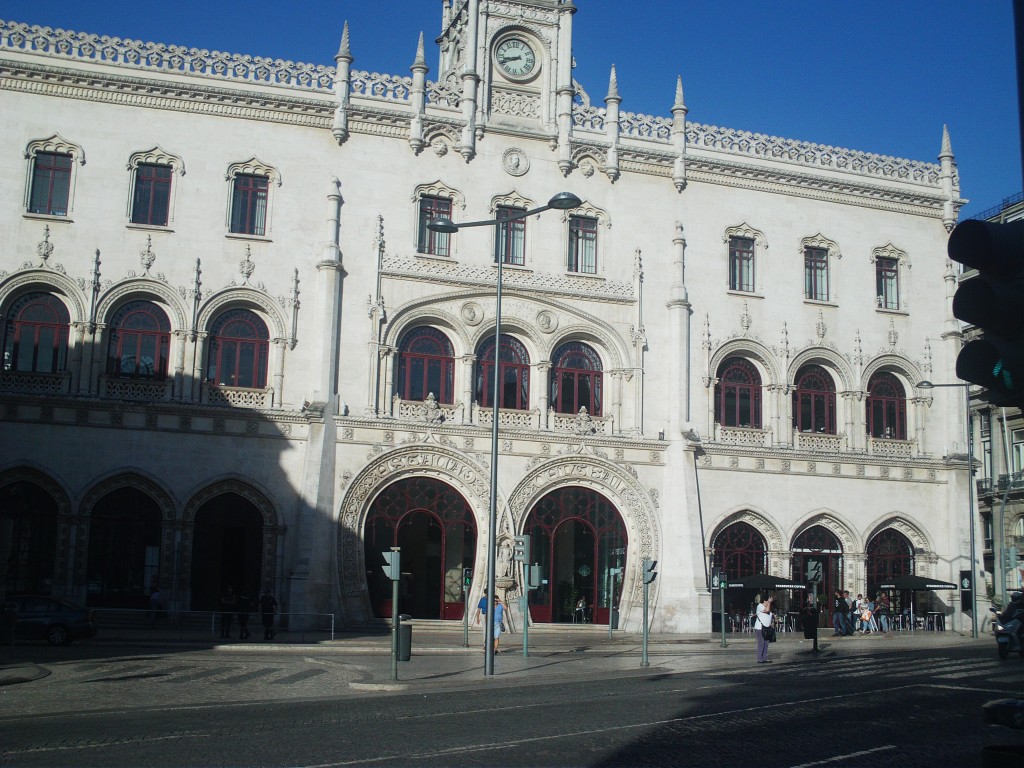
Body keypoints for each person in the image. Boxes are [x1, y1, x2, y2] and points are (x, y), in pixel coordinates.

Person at [755, 594, 774, 663]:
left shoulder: (768, 606)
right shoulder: (760, 606)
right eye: (767, 601)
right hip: (760, 628)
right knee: (761, 643)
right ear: (764, 601)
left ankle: (764, 658)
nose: (768, 603)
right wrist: (769, 603)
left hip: (767, 628)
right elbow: (767, 610)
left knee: (766, 643)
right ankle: (760, 659)